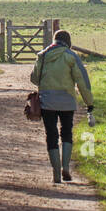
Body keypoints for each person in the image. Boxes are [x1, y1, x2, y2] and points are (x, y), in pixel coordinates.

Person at [29, 29, 94, 184]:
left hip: (47, 101)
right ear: (68, 42)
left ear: (54, 40)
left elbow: (34, 78)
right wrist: (89, 103)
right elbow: (82, 82)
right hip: (67, 101)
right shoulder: (71, 56)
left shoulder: (42, 55)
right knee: (66, 132)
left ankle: (56, 172)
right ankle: (66, 167)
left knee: (51, 135)